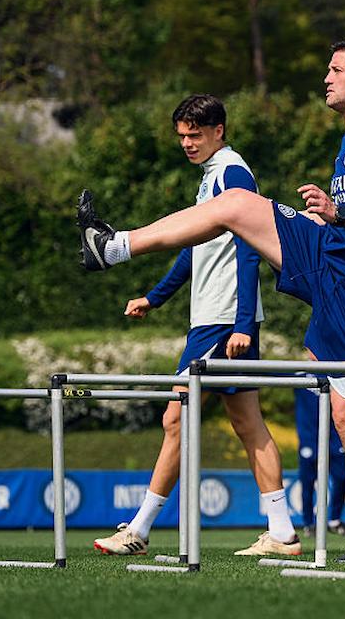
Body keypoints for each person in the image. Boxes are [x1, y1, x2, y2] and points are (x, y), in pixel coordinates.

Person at [78, 39, 345, 563]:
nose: (326, 78)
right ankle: (113, 247)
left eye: (335, 69)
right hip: (331, 259)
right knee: (237, 206)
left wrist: (342, 215)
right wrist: (326, 220)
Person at [92, 94, 299, 557]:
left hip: (222, 322)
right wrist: (155, 297)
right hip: (216, 318)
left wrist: (242, 323)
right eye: (182, 136)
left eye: (196, 135)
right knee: (247, 422)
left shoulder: (232, 173)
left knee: (175, 418)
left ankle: (139, 530)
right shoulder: (212, 176)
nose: (187, 143)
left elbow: (250, 246)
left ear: (219, 131)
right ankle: (283, 533)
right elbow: (193, 250)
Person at [293, 385, 345, 536]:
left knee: (341, 477)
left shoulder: (335, 374)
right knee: (307, 482)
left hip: (335, 437)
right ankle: (308, 523)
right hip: (309, 437)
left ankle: (335, 520)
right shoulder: (300, 375)